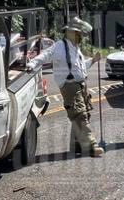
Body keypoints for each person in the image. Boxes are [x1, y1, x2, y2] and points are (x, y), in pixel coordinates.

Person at [27, 17, 104, 157]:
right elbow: (45, 56)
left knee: (81, 113)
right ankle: (91, 145)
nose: (80, 35)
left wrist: (92, 60)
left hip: (80, 85)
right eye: (78, 32)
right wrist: (32, 64)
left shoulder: (76, 49)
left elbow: (80, 69)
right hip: (69, 86)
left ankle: (76, 146)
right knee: (80, 114)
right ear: (70, 32)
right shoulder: (59, 46)